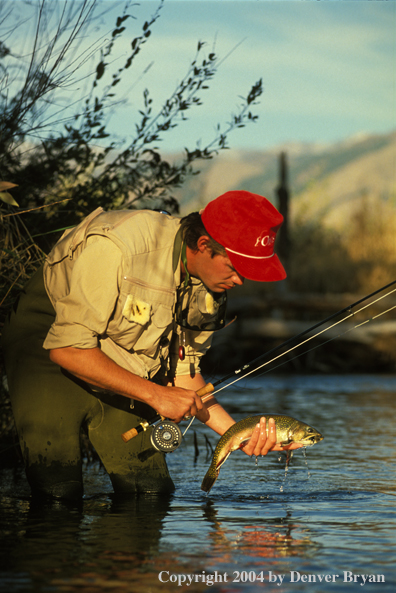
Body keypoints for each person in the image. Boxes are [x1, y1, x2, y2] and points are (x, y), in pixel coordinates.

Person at [2, 190, 302, 501]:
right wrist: (156, 395)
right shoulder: (118, 246)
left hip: (121, 358)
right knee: (58, 492)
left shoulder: (210, 289)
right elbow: (67, 348)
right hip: (46, 343)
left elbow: (184, 374)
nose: (240, 281)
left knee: (151, 492)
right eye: (235, 268)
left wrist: (239, 435)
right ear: (203, 245)